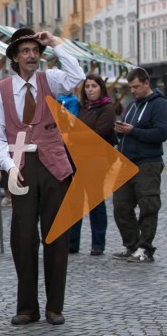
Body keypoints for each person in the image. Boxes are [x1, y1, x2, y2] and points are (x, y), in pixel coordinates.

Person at [0, 28, 84, 326]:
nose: (32, 56)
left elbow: (77, 77)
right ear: (15, 58)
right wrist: (10, 166)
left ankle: (54, 307)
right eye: (26, 51)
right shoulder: (2, 89)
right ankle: (27, 307)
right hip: (20, 165)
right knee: (23, 236)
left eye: (35, 51)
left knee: (56, 235)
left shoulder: (51, 79)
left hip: (54, 165)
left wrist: (54, 44)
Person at [111, 67, 167, 263]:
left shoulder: (159, 104)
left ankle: (145, 249)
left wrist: (133, 131)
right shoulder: (133, 105)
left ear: (146, 83)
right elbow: (129, 130)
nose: (133, 91)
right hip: (126, 163)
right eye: (130, 87)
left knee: (148, 207)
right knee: (120, 206)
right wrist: (119, 130)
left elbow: (161, 133)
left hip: (147, 163)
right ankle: (131, 245)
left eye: (136, 87)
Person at [68, 74, 116, 256]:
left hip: (96, 161)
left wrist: (73, 136)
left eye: (94, 86)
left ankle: (98, 244)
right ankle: (73, 243)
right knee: (75, 202)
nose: (90, 89)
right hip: (77, 159)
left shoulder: (107, 109)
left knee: (96, 203)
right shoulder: (81, 108)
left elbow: (98, 134)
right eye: (87, 86)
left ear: (101, 88)